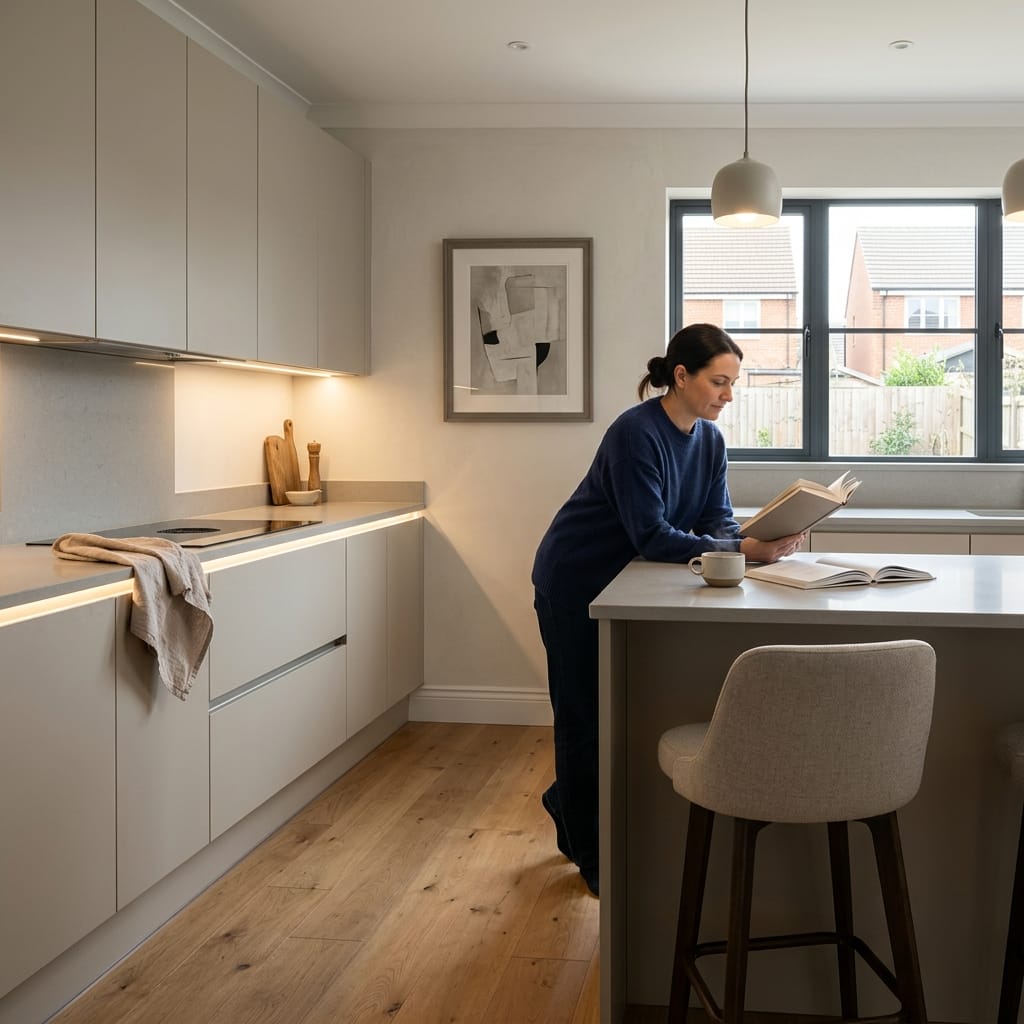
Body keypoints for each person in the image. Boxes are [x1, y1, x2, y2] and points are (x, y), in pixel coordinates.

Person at [530, 323, 805, 896]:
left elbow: (715, 521)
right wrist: (740, 551)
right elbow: (653, 535)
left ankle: (568, 802)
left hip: (627, 582)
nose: (728, 395)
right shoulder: (636, 434)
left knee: (614, 711)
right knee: (586, 718)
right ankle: (591, 855)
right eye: (719, 382)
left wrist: (752, 543)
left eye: (733, 383)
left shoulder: (709, 440)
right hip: (576, 579)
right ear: (680, 376)